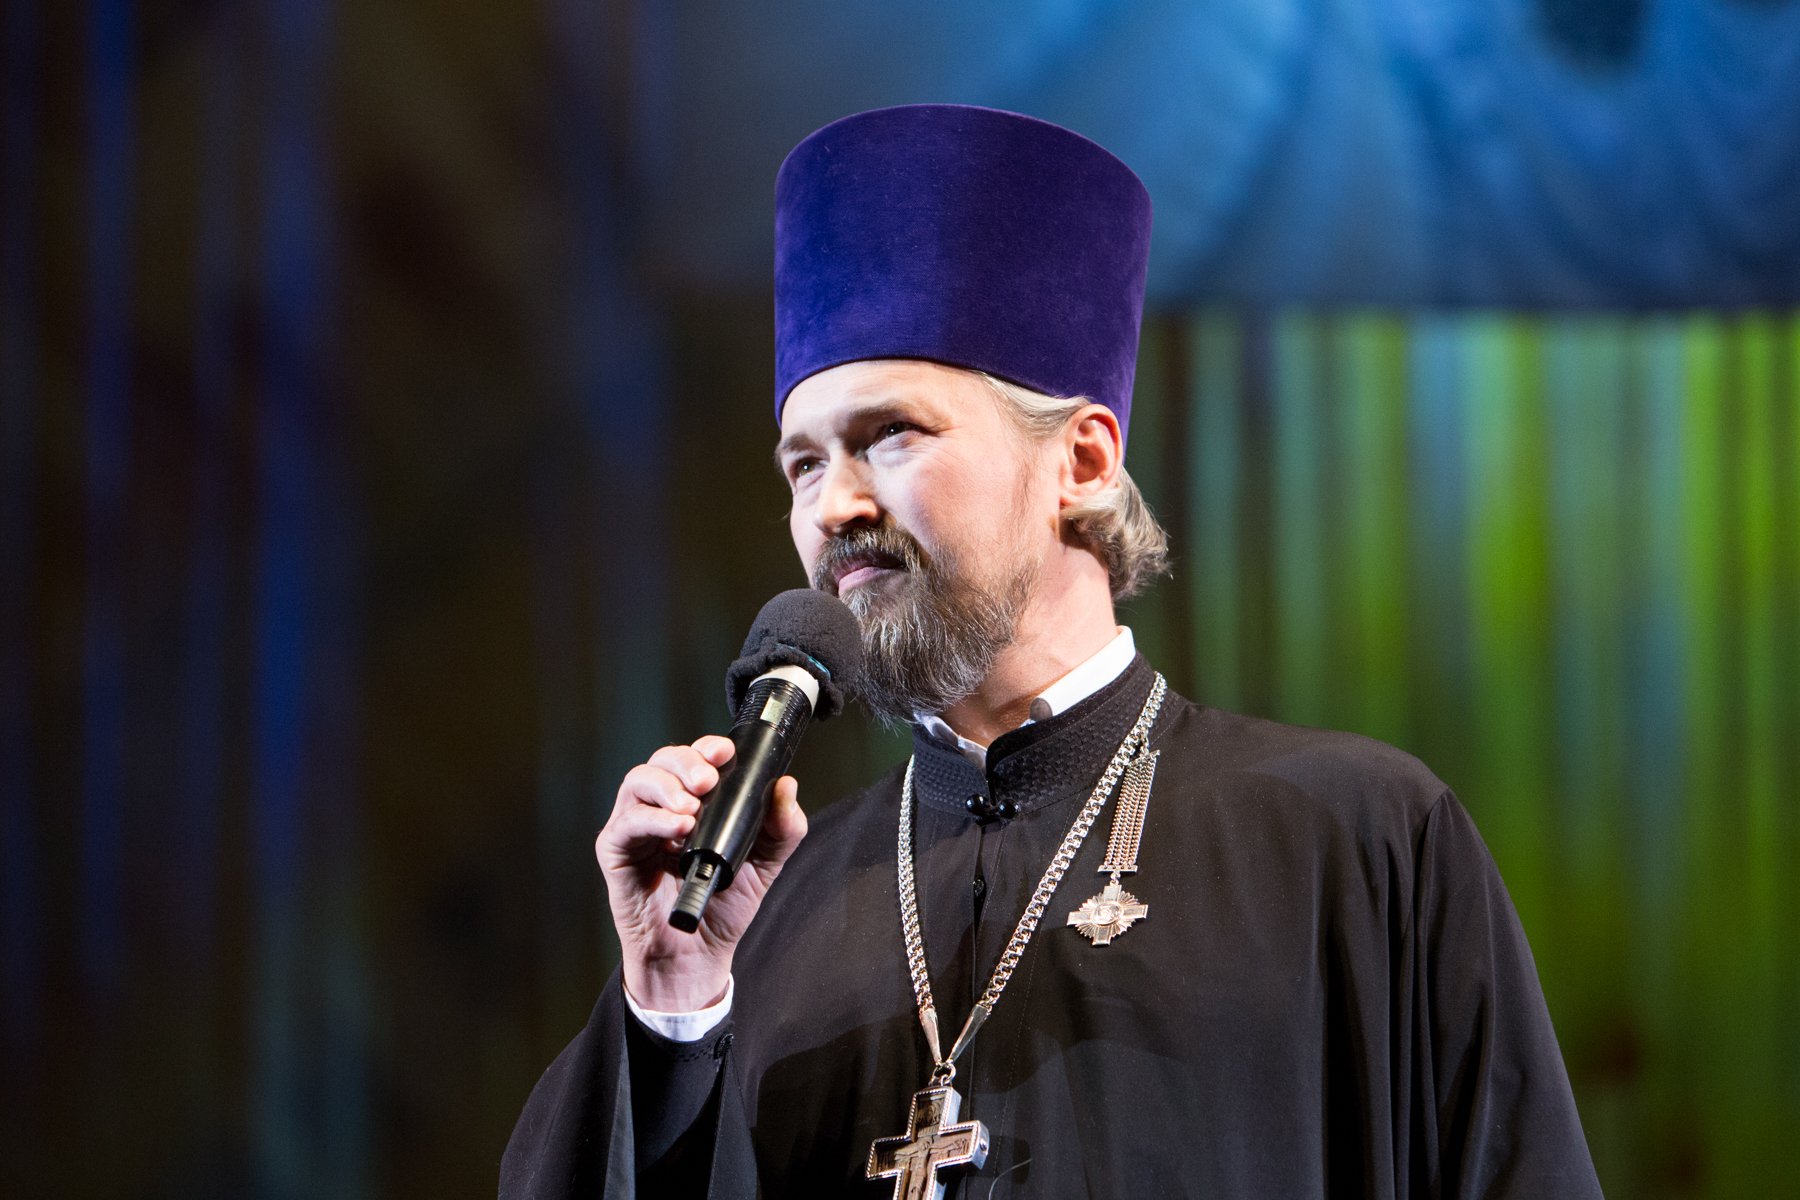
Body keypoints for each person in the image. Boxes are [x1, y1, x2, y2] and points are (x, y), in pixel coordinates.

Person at [500, 105, 1603, 1199]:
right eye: (803, 464)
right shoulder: (756, 907)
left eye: (890, 435)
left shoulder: (1355, 840)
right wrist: (674, 1006)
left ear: (1080, 462)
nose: (834, 506)